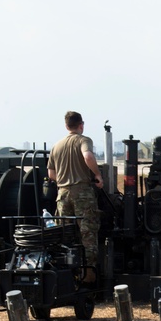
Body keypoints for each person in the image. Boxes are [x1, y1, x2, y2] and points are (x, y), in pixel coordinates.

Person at [47, 111, 104, 283]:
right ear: (81, 125)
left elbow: (51, 174)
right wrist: (98, 175)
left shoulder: (56, 145)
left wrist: (65, 181)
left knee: (65, 235)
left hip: (62, 194)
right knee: (87, 234)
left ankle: (67, 277)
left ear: (66, 126)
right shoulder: (83, 140)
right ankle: (88, 276)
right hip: (82, 194)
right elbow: (87, 156)